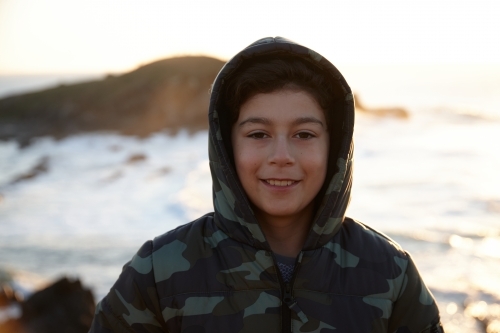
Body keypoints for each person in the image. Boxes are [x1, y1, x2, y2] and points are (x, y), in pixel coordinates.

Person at [89, 37, 443, 333]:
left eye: (304, 134)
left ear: (333, 147)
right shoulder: (157, 272)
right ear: (228, 146)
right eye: (258, 134)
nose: (281, 156)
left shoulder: (390, 273)